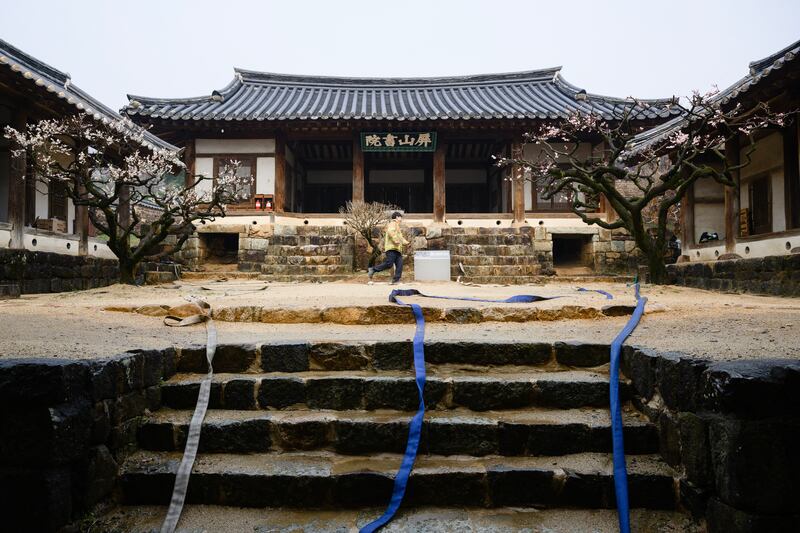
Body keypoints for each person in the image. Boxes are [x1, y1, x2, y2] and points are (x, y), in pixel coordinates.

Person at [368, 211, 410, 285]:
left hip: (397, 249)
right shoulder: (392, 224)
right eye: (400, 217)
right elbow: (391, 232)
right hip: (391, 248)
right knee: (389, 263)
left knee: (399, 265)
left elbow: (400, 237)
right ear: (397, 217)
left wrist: (406, 242)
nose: (401, 219)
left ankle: (396, 280)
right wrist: (396, 240)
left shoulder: (397, 225)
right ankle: (373, 269)